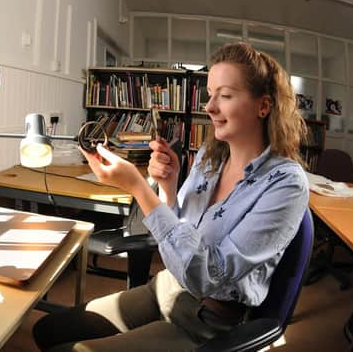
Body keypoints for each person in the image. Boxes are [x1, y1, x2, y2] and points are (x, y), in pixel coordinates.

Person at [32, 42, 310, 351]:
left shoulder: (287, 183)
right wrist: (167, 187)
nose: (210, 107)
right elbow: (180, 233)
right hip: (166, 287)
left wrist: (139, 187)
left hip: (208, 321)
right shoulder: (209, 157)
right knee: (48, 330)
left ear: (264, 106)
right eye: (210, 94)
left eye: (226, 96)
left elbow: (207, 275)